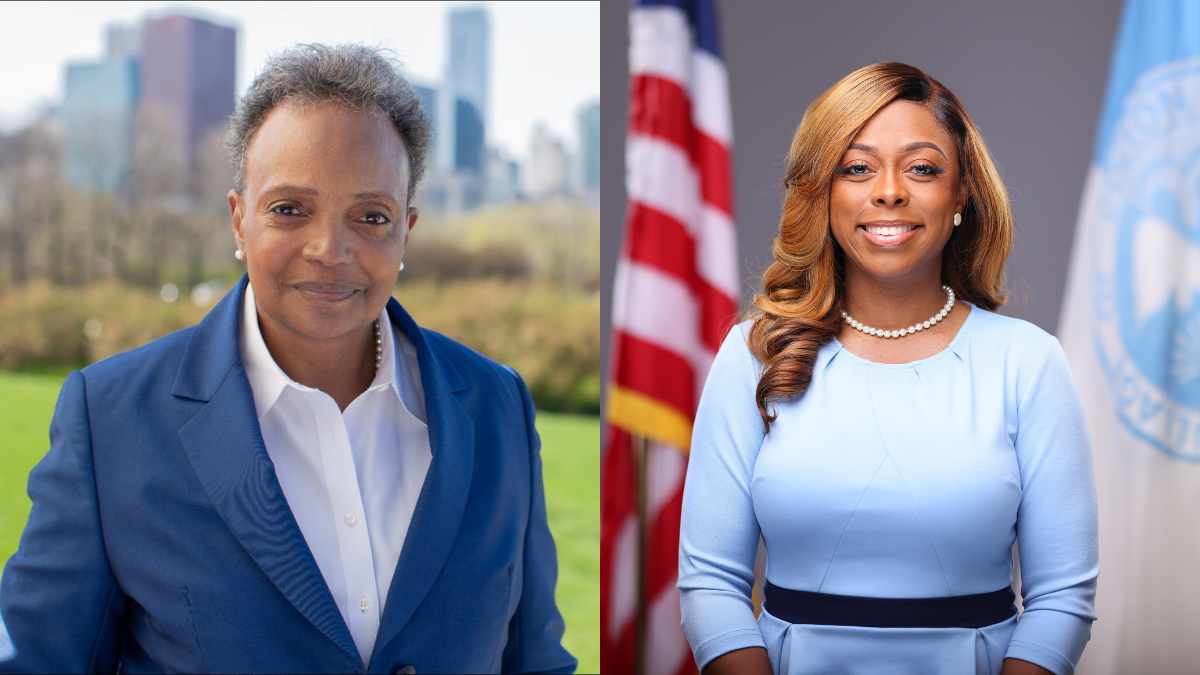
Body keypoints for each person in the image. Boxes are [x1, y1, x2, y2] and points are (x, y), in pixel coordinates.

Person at [0, 44, 576, 674]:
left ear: (406, 230)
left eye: (370, 216)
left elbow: (535, 658)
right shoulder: (111, 419)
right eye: (289, 209)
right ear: (238, 220)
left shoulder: (497, 408)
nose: (330, 249)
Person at [678, 62, 1098, 675]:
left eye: (922, 168)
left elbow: (1062, 597)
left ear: (961, 195)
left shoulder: (1028, 361)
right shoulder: (754, 355)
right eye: (857, 167)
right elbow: (711, 583)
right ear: (823, 192)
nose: (889, 191)